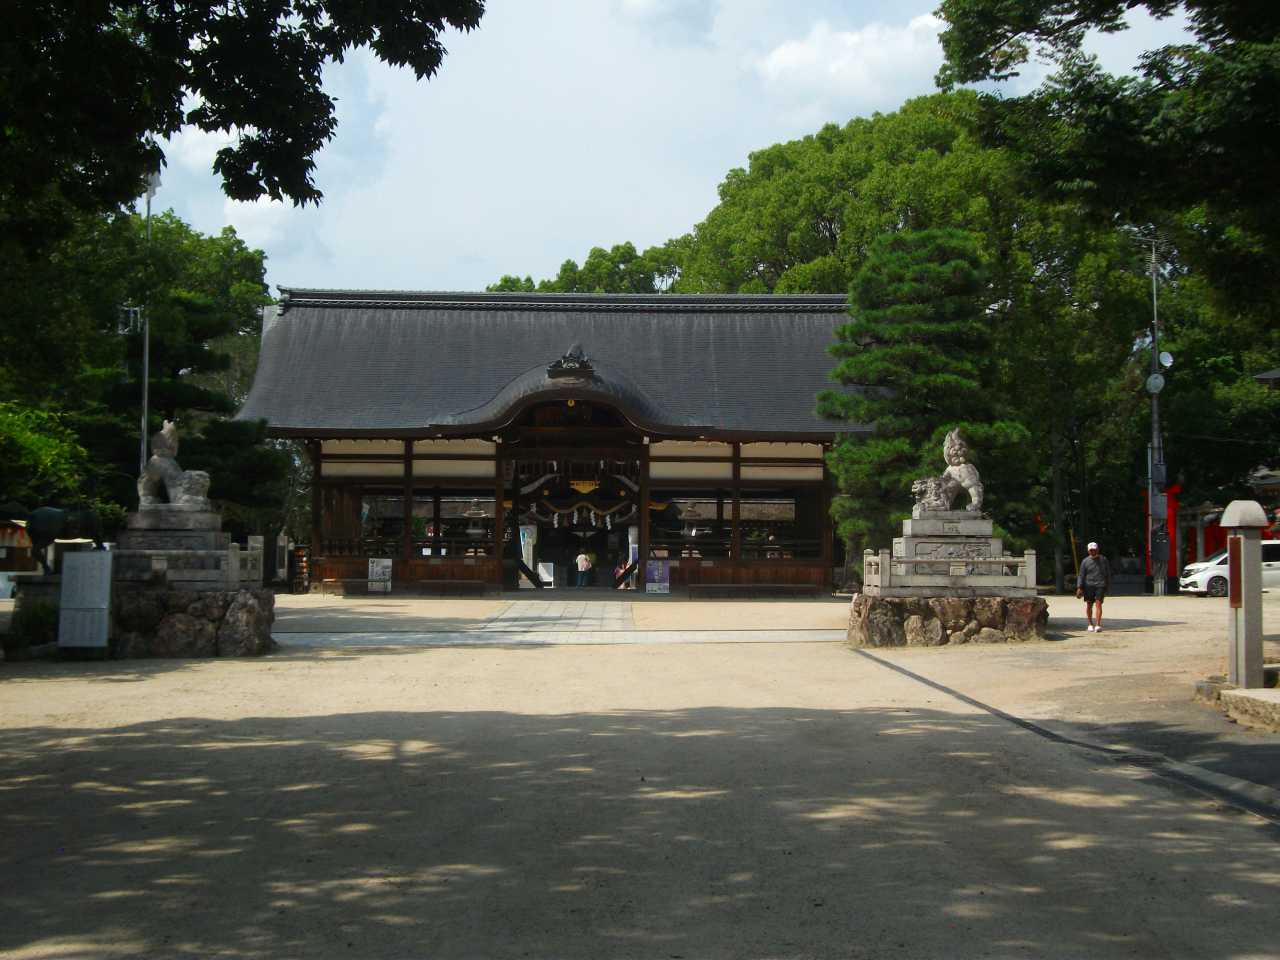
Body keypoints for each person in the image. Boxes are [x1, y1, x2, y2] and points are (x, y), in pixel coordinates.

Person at [1076, 541, 1112, 632]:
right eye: (1091, 550)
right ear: (1088, 551)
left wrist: (1108, 585)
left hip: (1100, 585)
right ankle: (1090, 624)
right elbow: (1081, 575)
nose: (1093, 552)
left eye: (1094, 550)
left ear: (1097, 550)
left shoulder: (1104, 560)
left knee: (1098, 604)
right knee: (1089, 604)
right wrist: (1079, 587)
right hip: (1088, 585)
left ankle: (1098, 624)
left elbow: (1108, 573)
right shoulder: (1085, 561)